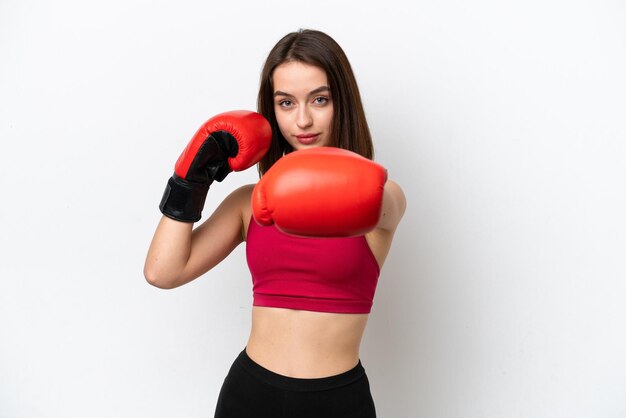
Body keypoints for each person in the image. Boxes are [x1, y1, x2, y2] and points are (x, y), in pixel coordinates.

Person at [144, 29, 406, 418]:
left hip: (336, 402)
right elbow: (162, 272)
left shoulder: (380, 195)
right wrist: (190, 179)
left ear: (342, 103)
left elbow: (380, 204)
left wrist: (311, 183)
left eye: (320, 99)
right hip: (250, 395)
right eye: (286, 103)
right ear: (272, 110)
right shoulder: (251, 202)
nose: (303, 120)